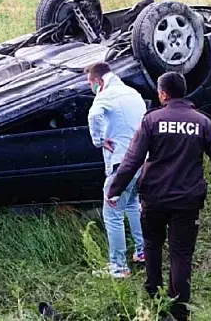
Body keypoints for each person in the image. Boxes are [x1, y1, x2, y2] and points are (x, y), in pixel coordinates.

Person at [106, 71, 211, 321]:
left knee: (153, 244)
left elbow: (132, 160)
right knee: (181, 253)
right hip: (187, 201)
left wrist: (114, 190)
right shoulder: (203, 123)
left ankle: (154, 295)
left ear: (163, 93)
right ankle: (178, 310)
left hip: (154, 197)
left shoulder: (151, 121)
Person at [85, 61, 147, 278]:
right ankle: (142, 251)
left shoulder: (106, 95)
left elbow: (93, 116)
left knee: (112, 214)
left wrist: (99, 140)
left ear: (98, 81)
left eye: (90, 84)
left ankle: (118, 267)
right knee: (131, 204)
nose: (91, 88)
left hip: (120, 164)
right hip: (140, 161)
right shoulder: (133, 94)